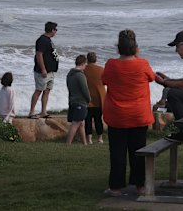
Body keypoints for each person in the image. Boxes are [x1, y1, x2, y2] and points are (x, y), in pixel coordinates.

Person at [102, 29, 156, 197]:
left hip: (117, 116)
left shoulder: (111, 65)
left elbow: (104, 80)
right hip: (138, 115)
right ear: (135, 47)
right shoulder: (142, 63)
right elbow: (152, 77)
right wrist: (137, 56)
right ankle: (140, 186)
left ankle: (116, 187)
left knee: (117, 153)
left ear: (118, 47)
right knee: (138, 151)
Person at [29, 21, 59, 119]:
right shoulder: (42, 40)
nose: (56, 31)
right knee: (38, 90)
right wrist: (43, 69)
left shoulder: (48, 40)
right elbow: (39, 54)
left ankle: (43, 111)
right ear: (51, 30)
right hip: (43, 71)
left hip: (50, 71)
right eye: (55, 29)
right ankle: (32, 112)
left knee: (47, 90)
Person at [66, 55, 91, 145]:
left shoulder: (70, 74)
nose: (85, 67)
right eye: (85, 64)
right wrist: (89, 99)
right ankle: (68, 143)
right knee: (76, 123)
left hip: (72, 100)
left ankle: (85, 143)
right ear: (83, 63)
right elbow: (85, 89)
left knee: (81, 123)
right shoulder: (80, 75)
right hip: (80, 101)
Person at [84, 51, 106, 144]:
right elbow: (105, 81)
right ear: (95, 59)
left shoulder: (83, 70)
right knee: (98, 120)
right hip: (99, 98)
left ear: (87, 60)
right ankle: (100, 138)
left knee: (88, 120)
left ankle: (89, 139)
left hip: (87, 98)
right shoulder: (101, 69)